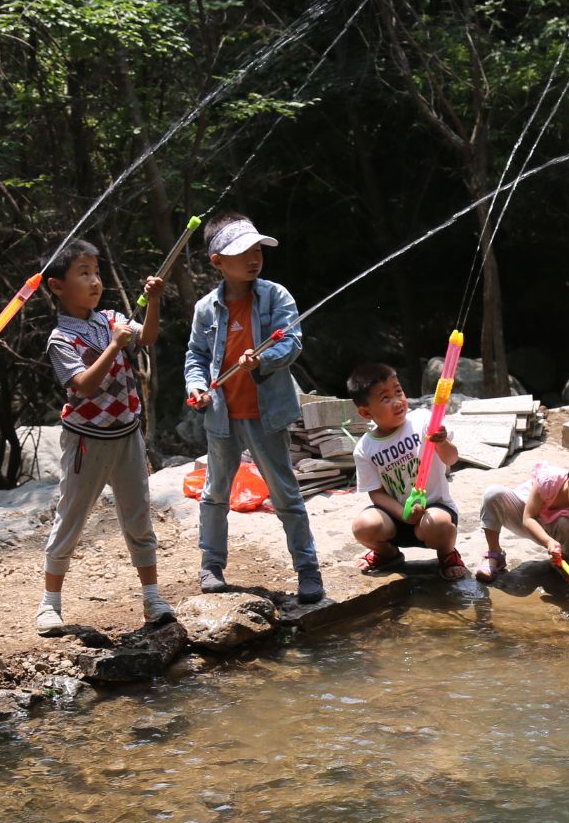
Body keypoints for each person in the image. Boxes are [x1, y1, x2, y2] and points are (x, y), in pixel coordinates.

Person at [34, 240, 174, 635]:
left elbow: (146, 337)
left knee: (138, 515)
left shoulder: (111, 317)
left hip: (128, 435)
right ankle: (50, 604)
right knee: (71, 517)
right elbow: (82, 386)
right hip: (86, 442)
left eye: (96, 272)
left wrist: (154, 301)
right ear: (57, 286)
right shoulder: (61, 339)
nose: (95, 281)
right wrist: (114, 345)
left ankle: (151, 597)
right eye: (83, 273)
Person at [183, 212, 324, 603]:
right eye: (243, 251)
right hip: (221, 416)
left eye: (257, 249)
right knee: (215, 493)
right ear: (217, 262)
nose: (253, 258)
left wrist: (262, 359)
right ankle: (211, 565)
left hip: (267, 414)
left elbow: (292, 342)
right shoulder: (206, 309)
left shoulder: (276, 296)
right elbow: (195, 355)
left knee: (285, 494)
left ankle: (308, 571)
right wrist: (196, 386)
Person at [346, 361, 468, 579]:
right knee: (363, 526)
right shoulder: (365, 448)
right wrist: (403, 513)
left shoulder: (423, 420)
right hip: (395, 518)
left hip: (434, 512)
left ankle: (447, 554)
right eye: (385, 398)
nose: (397, 402)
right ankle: (388, 554)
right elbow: (376, 493)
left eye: (398, 391)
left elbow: (452, 458)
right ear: (365, 412)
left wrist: (441, 442)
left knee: (439, 524)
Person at [475, 449, 569, 585]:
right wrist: (548, 541)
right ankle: (495, 554)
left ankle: (563, 562)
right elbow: (528, 518)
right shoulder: (549, 480)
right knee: (493, 494)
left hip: (558, 534)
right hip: (525, 518)